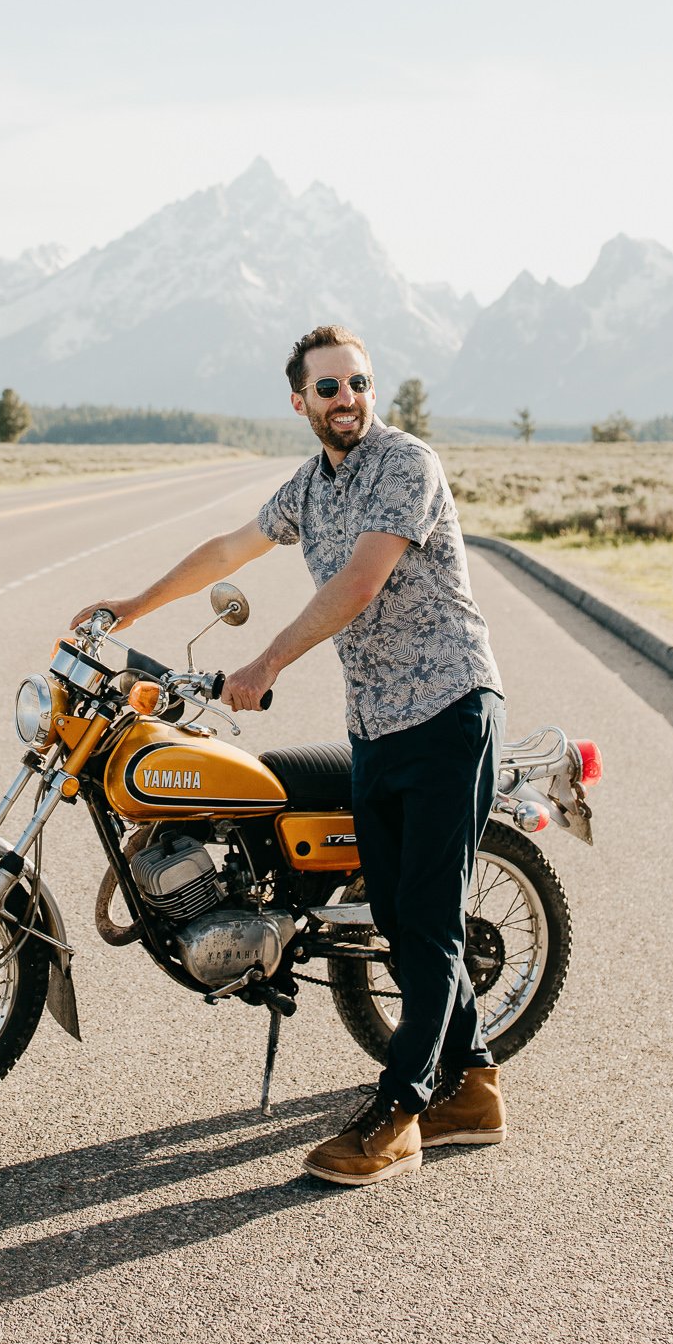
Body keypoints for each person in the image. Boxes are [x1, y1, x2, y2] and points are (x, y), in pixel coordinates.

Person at [69, 322, 507, 1188]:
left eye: (360, 384)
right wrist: (134, 604)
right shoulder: (309, 487)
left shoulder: (405, 465)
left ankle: (402, 1111)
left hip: (449, 709)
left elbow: (361, 581)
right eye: (331, 387)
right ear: (299, 400)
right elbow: (230, 549)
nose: (349, 400)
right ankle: (478, 1088)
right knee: (397, 919)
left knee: (424, 921)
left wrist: (267, 662)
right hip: (376, 723)